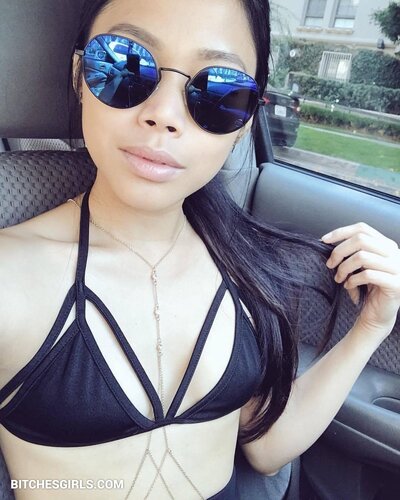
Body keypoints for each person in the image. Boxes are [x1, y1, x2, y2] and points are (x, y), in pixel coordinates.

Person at [0, 0, 399, 498]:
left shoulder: (243, 264)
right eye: (125, 65)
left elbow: (266, 449)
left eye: (218, 90)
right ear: (81, 75)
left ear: (246, 121)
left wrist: (370, 328)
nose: (164, 115)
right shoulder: (9, 276)